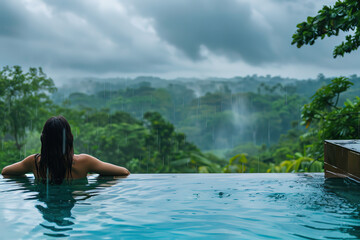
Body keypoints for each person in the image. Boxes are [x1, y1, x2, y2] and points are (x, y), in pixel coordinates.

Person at [1, 116, 130, 184]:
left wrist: (27, 184)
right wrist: (98, 181)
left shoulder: (34, 163)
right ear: (69, 139)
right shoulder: (84, 162)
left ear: (44, 140)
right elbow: (124, 172)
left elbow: (6, 172)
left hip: (46, 202)